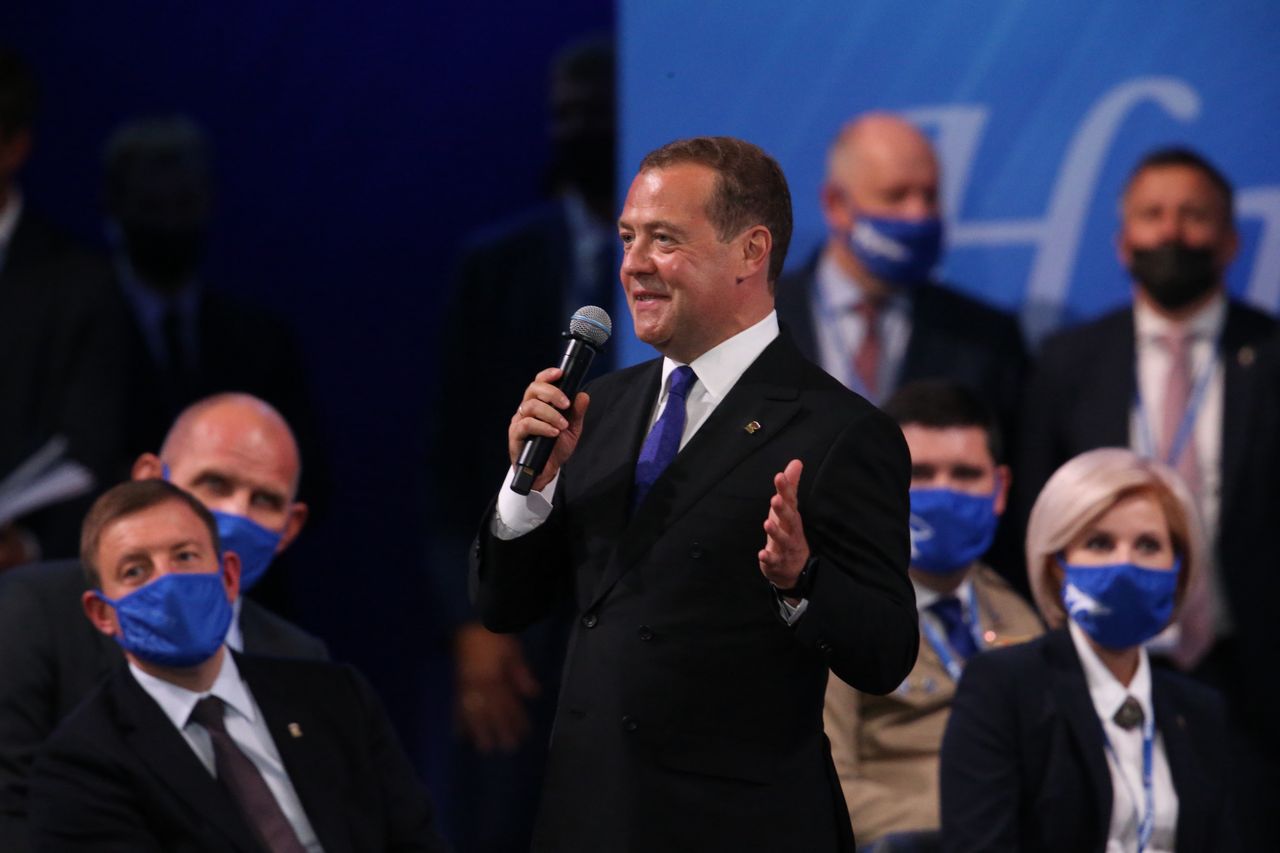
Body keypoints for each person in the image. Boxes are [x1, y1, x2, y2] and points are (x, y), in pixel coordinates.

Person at [473, 135, 917, 852]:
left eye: (663, 239)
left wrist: (801, 579)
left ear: (752, 251)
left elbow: (886, 651)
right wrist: (530, 493)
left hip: (738, 829)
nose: (632, 265)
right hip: (588, 822)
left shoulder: (839, 431)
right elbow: (504, 606)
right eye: (627, 237)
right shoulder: (598, 408)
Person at [1015, 146, 1280, 845]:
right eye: (1152, 214)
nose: (1171, 232)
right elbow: (1033, 521)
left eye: (1194, 216)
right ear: (1121, 238)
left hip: (1249, 678)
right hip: (1097, 663)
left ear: (1231, 238)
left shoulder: (1272, 352)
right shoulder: (1069, 361)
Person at [26, 479, 448, 851]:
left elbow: (414, 840)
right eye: (136, 570)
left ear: (228, 577)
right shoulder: (78, 766)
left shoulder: (337, 696)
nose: (168, 585)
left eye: (185, 557)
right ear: (102, 613)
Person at [424, 37, 615, 853]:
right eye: (565, 116)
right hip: (517, 613)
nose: (579, 132)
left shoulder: (687, 278)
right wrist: (472, 622)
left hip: (631, 595)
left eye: (596, 115)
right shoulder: (494, 267)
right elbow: (447, 459)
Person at [0, 393, 325, 852]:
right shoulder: (32, 614)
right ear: (150, 480)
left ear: (289, 528)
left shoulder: (300, 660)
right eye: (214, 483)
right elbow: (10, 818)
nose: (235, 515)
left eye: (264, 500)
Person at [940, 448, 1232, 852]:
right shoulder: (1004, 688)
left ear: (1178, 567)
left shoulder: (1199, 711)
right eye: (1099, 543)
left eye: (1148, 545)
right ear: (1057, 563)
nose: (1124, 565)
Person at [823, 380, 1042, 848]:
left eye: (965, 474)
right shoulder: (834, 608)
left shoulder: (1026, 618)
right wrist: (980, 821)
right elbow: (823, 785)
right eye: (920, 473)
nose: (944, 493)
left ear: (1000, 488)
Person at [775, 112, 1026, 430]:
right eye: (896, 196)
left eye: (930, 196)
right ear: (836, 204)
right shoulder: (754, 320)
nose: (917, 214)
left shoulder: (988, 339)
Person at [0, 47, 124, 568]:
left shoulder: (78, 283)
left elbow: (99, 449)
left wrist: (24, 548)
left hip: (23, 590)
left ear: (14, 146)